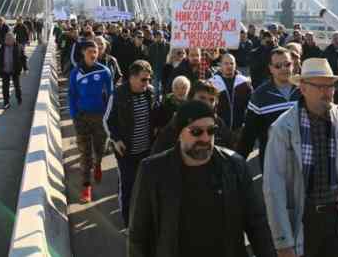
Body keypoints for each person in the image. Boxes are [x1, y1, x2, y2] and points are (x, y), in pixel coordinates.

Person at [127, 100, 276, 257]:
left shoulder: (235, 166)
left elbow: (257, 224)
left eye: (211, 131)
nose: (205, 138)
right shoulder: (152, 171)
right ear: (179, 133)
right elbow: (138, 235)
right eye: (196, 132)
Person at [263, 58, 338, 257]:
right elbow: (273, 187)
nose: (328, 92)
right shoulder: (283, 127)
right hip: (303, 220)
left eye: (331, 86)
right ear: (303, 89)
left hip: (336, 218)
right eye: (320, 86)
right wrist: (283, 242)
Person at [104, 60, 162, 228]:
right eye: (144, 80)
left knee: (146, 188)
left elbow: (157, 115)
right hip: (127, 153)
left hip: (147, 151)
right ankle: (129, 225)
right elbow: (108, 120)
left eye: (149, 79)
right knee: (128, 189)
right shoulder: (118, 94)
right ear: (132, 78)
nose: (147, 83)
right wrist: (116, 139)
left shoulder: (150, 93)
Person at [238, 47, 301, 167]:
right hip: (272, 162)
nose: (283, 69)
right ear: (270, 68)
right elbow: (249, 134)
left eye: (287, 64)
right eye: (278, 66)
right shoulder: (259, 95)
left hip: (301, 161)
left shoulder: (304, 90)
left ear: (293, 65)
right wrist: (238, 164)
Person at [68, 40, 113, 203]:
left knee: (99, 147)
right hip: (82, 117)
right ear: (83, 53)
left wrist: (109, 115)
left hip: (100, 117)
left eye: (95, 52)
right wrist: (74, 114)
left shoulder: (105, 71)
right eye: (90, 52)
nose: (93, 54)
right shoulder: (76, 72)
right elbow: (72, 95)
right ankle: (86, 186)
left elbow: (111, 95)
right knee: (84, 152)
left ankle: (98, 163)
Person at [210, 53, 253, 145]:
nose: (229, 66)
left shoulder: (244, 82)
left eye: (231, 63)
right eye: (226, 63)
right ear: (220, 65)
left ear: (235, 65)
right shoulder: (212, 83)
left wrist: (247, 124)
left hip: (239, 130)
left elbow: (251, 106)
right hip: (219, 131)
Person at [0, 32, 28, 109]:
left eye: (9, 39)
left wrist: (25, 68)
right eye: (6, 39)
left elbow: (23, 58)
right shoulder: (1, 47)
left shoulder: (19, 47)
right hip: (5, 70)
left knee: (17, 86)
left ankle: (19, 98)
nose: (7, 40)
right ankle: (6, 102)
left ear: (13, 39)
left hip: (15, 70)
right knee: (5, 87)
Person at [147, 30, 170, 99]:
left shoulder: (168, 46)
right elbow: (150, 58)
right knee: (155, 89)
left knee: (165, 88)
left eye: (160, 36)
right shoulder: (152, 46)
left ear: (163, 37)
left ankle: (164, 101)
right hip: (155, 70)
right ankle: (156, 103)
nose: (158, 38)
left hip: (166, 70)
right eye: (157, 36)